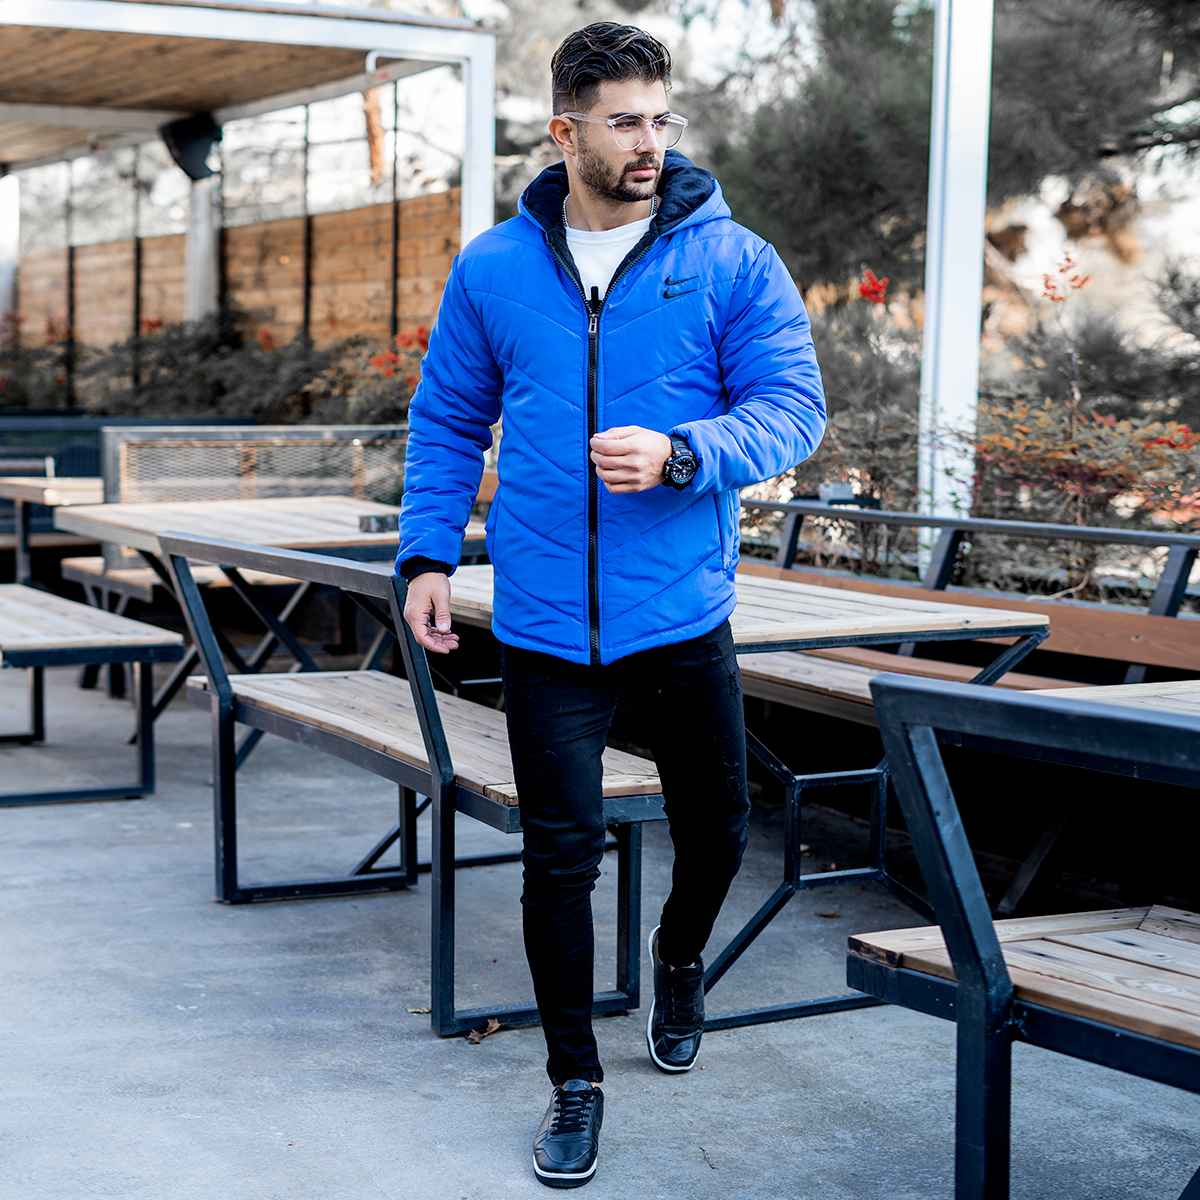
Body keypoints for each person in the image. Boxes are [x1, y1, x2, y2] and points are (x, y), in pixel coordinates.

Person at [397, 21, 825, 1189]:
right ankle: (574, 1080)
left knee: (719, 829)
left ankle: (678, 957)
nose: (649, 142)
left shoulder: (732, 259)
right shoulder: (494, 268)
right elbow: (448, 420)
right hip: (543, 618)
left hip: (679, 608)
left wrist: (685, 452)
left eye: (660, 119)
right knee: (559, 859)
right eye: (624, 121)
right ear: (565, 131)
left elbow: (793, 408)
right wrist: (426, 556)